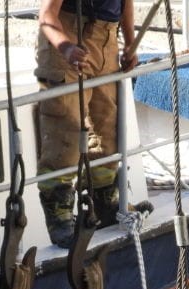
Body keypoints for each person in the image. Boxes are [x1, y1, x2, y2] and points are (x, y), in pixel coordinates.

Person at [35, 0, 137, 247]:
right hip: (66, 34)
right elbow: (47, 15)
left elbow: (126, 4)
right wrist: (66, 47)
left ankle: (103, 201)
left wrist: (129, 45)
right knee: (66, 127)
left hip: (107, 39)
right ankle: (58, 212)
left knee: (107, 123)